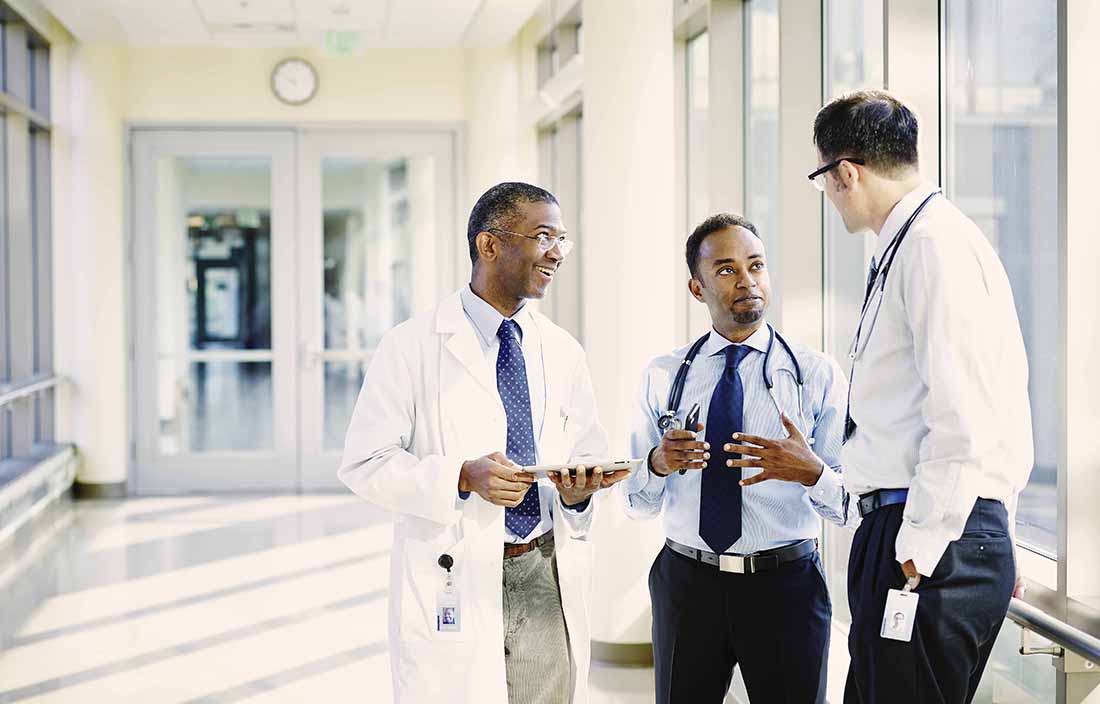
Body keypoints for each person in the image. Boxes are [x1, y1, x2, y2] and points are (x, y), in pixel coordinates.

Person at [339, 182, 628, 704]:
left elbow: (586, 447)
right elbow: (365, 463)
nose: (557, 253)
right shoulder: (410, 346)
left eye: (562, 239)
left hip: (544, 565)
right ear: (489, 245)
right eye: (543, 237)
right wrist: (461, 476)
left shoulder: (561, 350)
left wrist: (579, 490)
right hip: (455, 567)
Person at [805, 89, 1033, 703]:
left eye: (822, 179)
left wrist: (924, 547)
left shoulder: (934, 245)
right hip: (925, 530)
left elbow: (964, 415)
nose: (827, 196)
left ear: (845, 172)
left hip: (927, 538)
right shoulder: (912, 243)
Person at [619, 213, 856, 704]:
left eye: (757, 266)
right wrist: (659, 464)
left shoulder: (815, 374)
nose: (747, 281)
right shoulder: (664, 376)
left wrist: (811, 472)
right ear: (696, 286)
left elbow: (849, 505)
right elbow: (636, 503)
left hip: (785, 584)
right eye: (726, 270)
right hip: (688, 583)